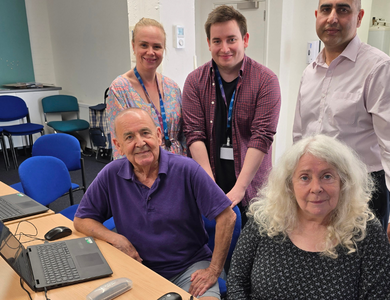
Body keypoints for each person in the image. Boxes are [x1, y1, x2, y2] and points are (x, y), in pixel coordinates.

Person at [292, 0, 390, 261]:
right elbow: (299, 137)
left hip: (361, 192)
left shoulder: (378, 68)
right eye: (326, 10)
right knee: (316, 262)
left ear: (359, 18)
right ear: (317, 15)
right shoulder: (309, 73)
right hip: (315, 188)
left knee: (357, 271)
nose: (333, 18)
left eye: (343, 10)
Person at [74, 108, 236, 299]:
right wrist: (116, 238)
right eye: (129, 137)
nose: (140, 143)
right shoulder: (111, 174)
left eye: (145, 133)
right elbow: (82, 219)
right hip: (137, 268)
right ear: (118, 145)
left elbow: (228, 216)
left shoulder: (187, 169)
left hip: (189, 269)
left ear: (158, 136)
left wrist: (214, 270)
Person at [227, 134, 390, 299]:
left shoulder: (365, 231)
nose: (316, 188)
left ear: (343, 183)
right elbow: (237, 282)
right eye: (304, 177)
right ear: (289, 184)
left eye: (327, 176)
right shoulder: (264, 219)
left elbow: (379, 294)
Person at [182, 5, 281, 225]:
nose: (224, 48)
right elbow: (194, 134)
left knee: (250, 252)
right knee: (211, 249)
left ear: (245, 39)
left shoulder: (266, 81)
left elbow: (261, 137)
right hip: (209, 179)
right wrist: (210, 187)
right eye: (217, 41)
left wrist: (239, 189)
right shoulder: (194, 82)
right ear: (208, 43)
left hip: (252, 188)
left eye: (231, 39)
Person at [107, 18, 186, 159]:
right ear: (133, 46)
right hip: (142, 169)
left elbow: (183, 135)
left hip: (177, 167)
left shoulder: (172, 87)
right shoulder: (119, 90)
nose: (150, 52)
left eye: (156, 47)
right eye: (144, 45)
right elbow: (120, 147)